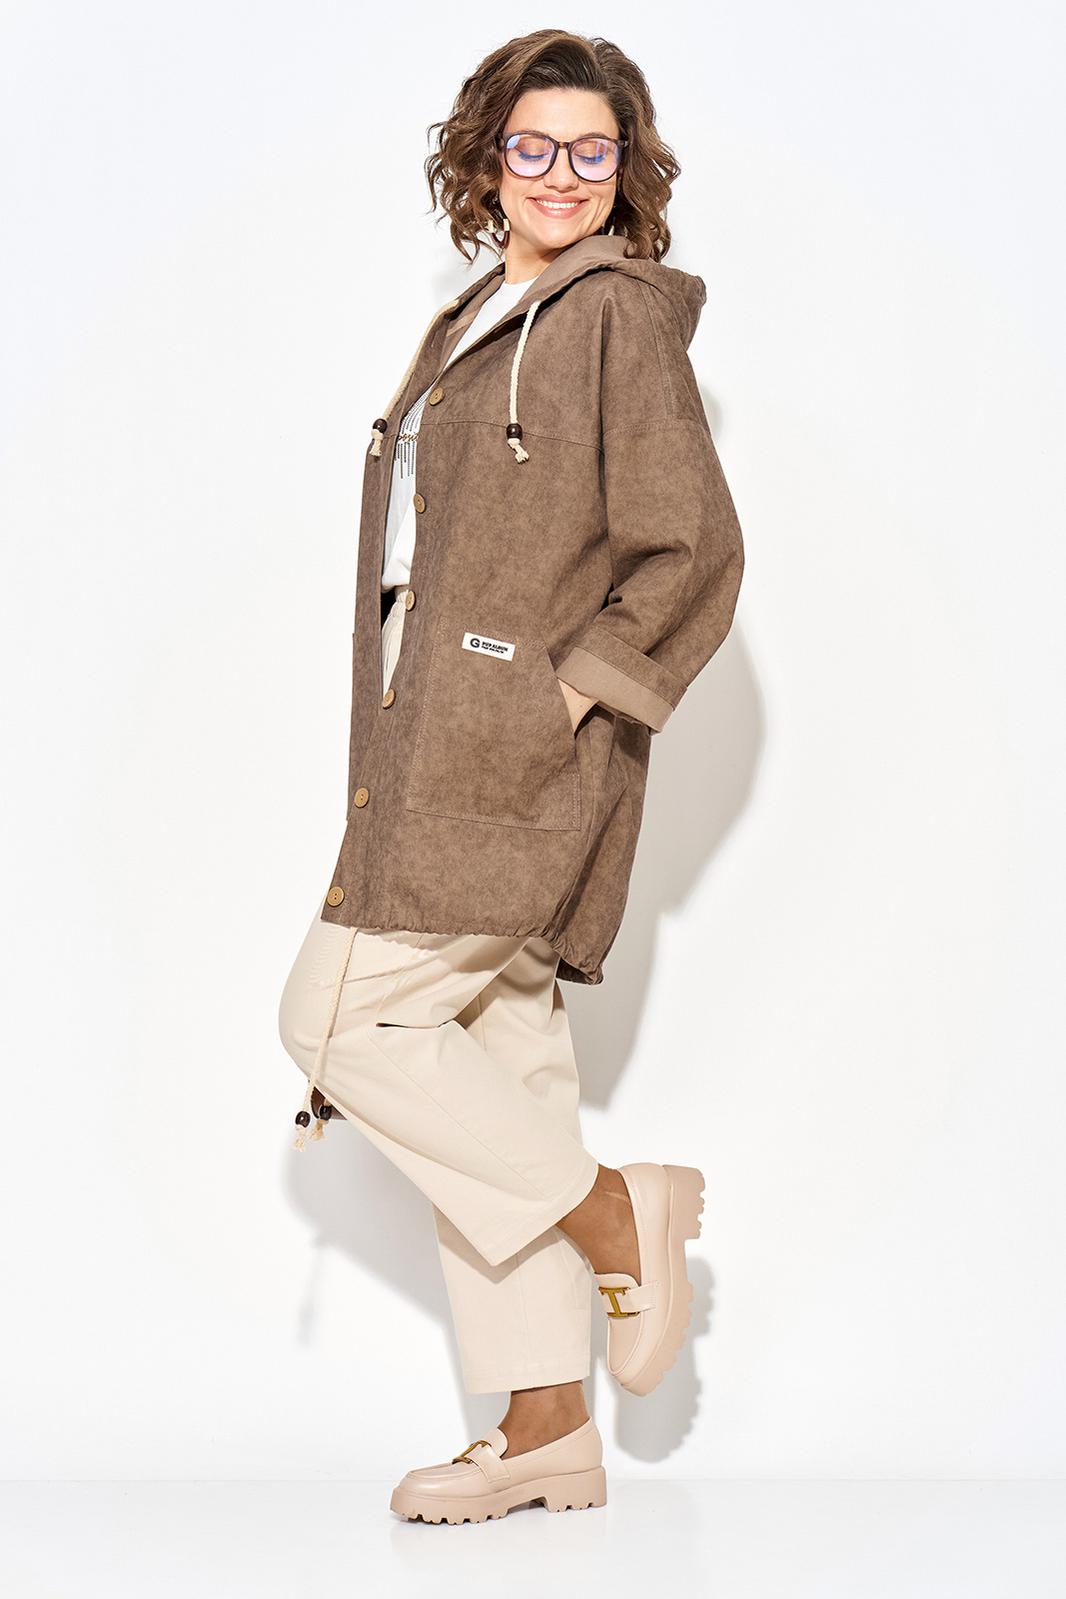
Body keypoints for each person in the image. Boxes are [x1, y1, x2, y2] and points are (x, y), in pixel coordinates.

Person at [278, 27, 744, 1525]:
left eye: (592, 150)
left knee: (337, 1018)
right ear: (488, 161)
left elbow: (691, 549)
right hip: (431, 736)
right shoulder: (484, 312)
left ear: (628, 169)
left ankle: (618, 1214)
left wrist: (558, 698)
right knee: (502, 1054)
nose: (561, 174)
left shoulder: (612, 317)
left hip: (507, 755)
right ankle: (546, 1427)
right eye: (532, 146)